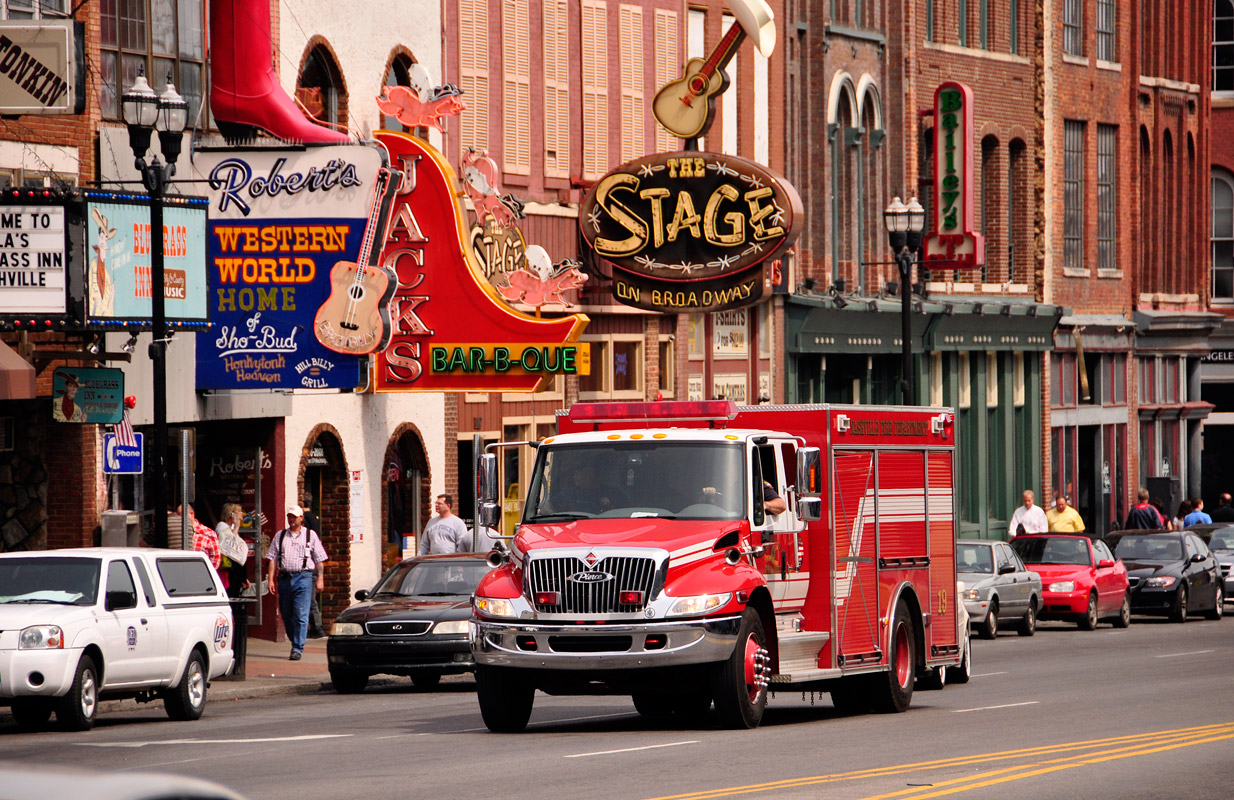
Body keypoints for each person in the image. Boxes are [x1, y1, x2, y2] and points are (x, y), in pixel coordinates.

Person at [265, 505, 328, 660]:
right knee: (286, 614)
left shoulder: (310, 535)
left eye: (294, 516)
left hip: (304, 577)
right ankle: (295, 640)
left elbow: (319, 559)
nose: (291, 519)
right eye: (289, 516)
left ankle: (298, 647)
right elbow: (272, 558)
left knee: (301, 613)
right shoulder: (280, 536)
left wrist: (320, 578)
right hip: (285, 578)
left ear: (301, 518)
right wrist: (271, 579)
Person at [301, 496, 326, 639]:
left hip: (310, 564)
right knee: (310, 598)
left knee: (310, 599)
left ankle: (317, 627)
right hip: (313, 564)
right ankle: (314, 626)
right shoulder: (315, 518)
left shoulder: (305, 519)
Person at [181, 504, 223, 583]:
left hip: (201, 578)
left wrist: (206, 574)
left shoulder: (208, 533)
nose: (179, 519)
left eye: (181, 515)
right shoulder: (176, 531)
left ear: (191, 514)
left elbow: (215, 559)